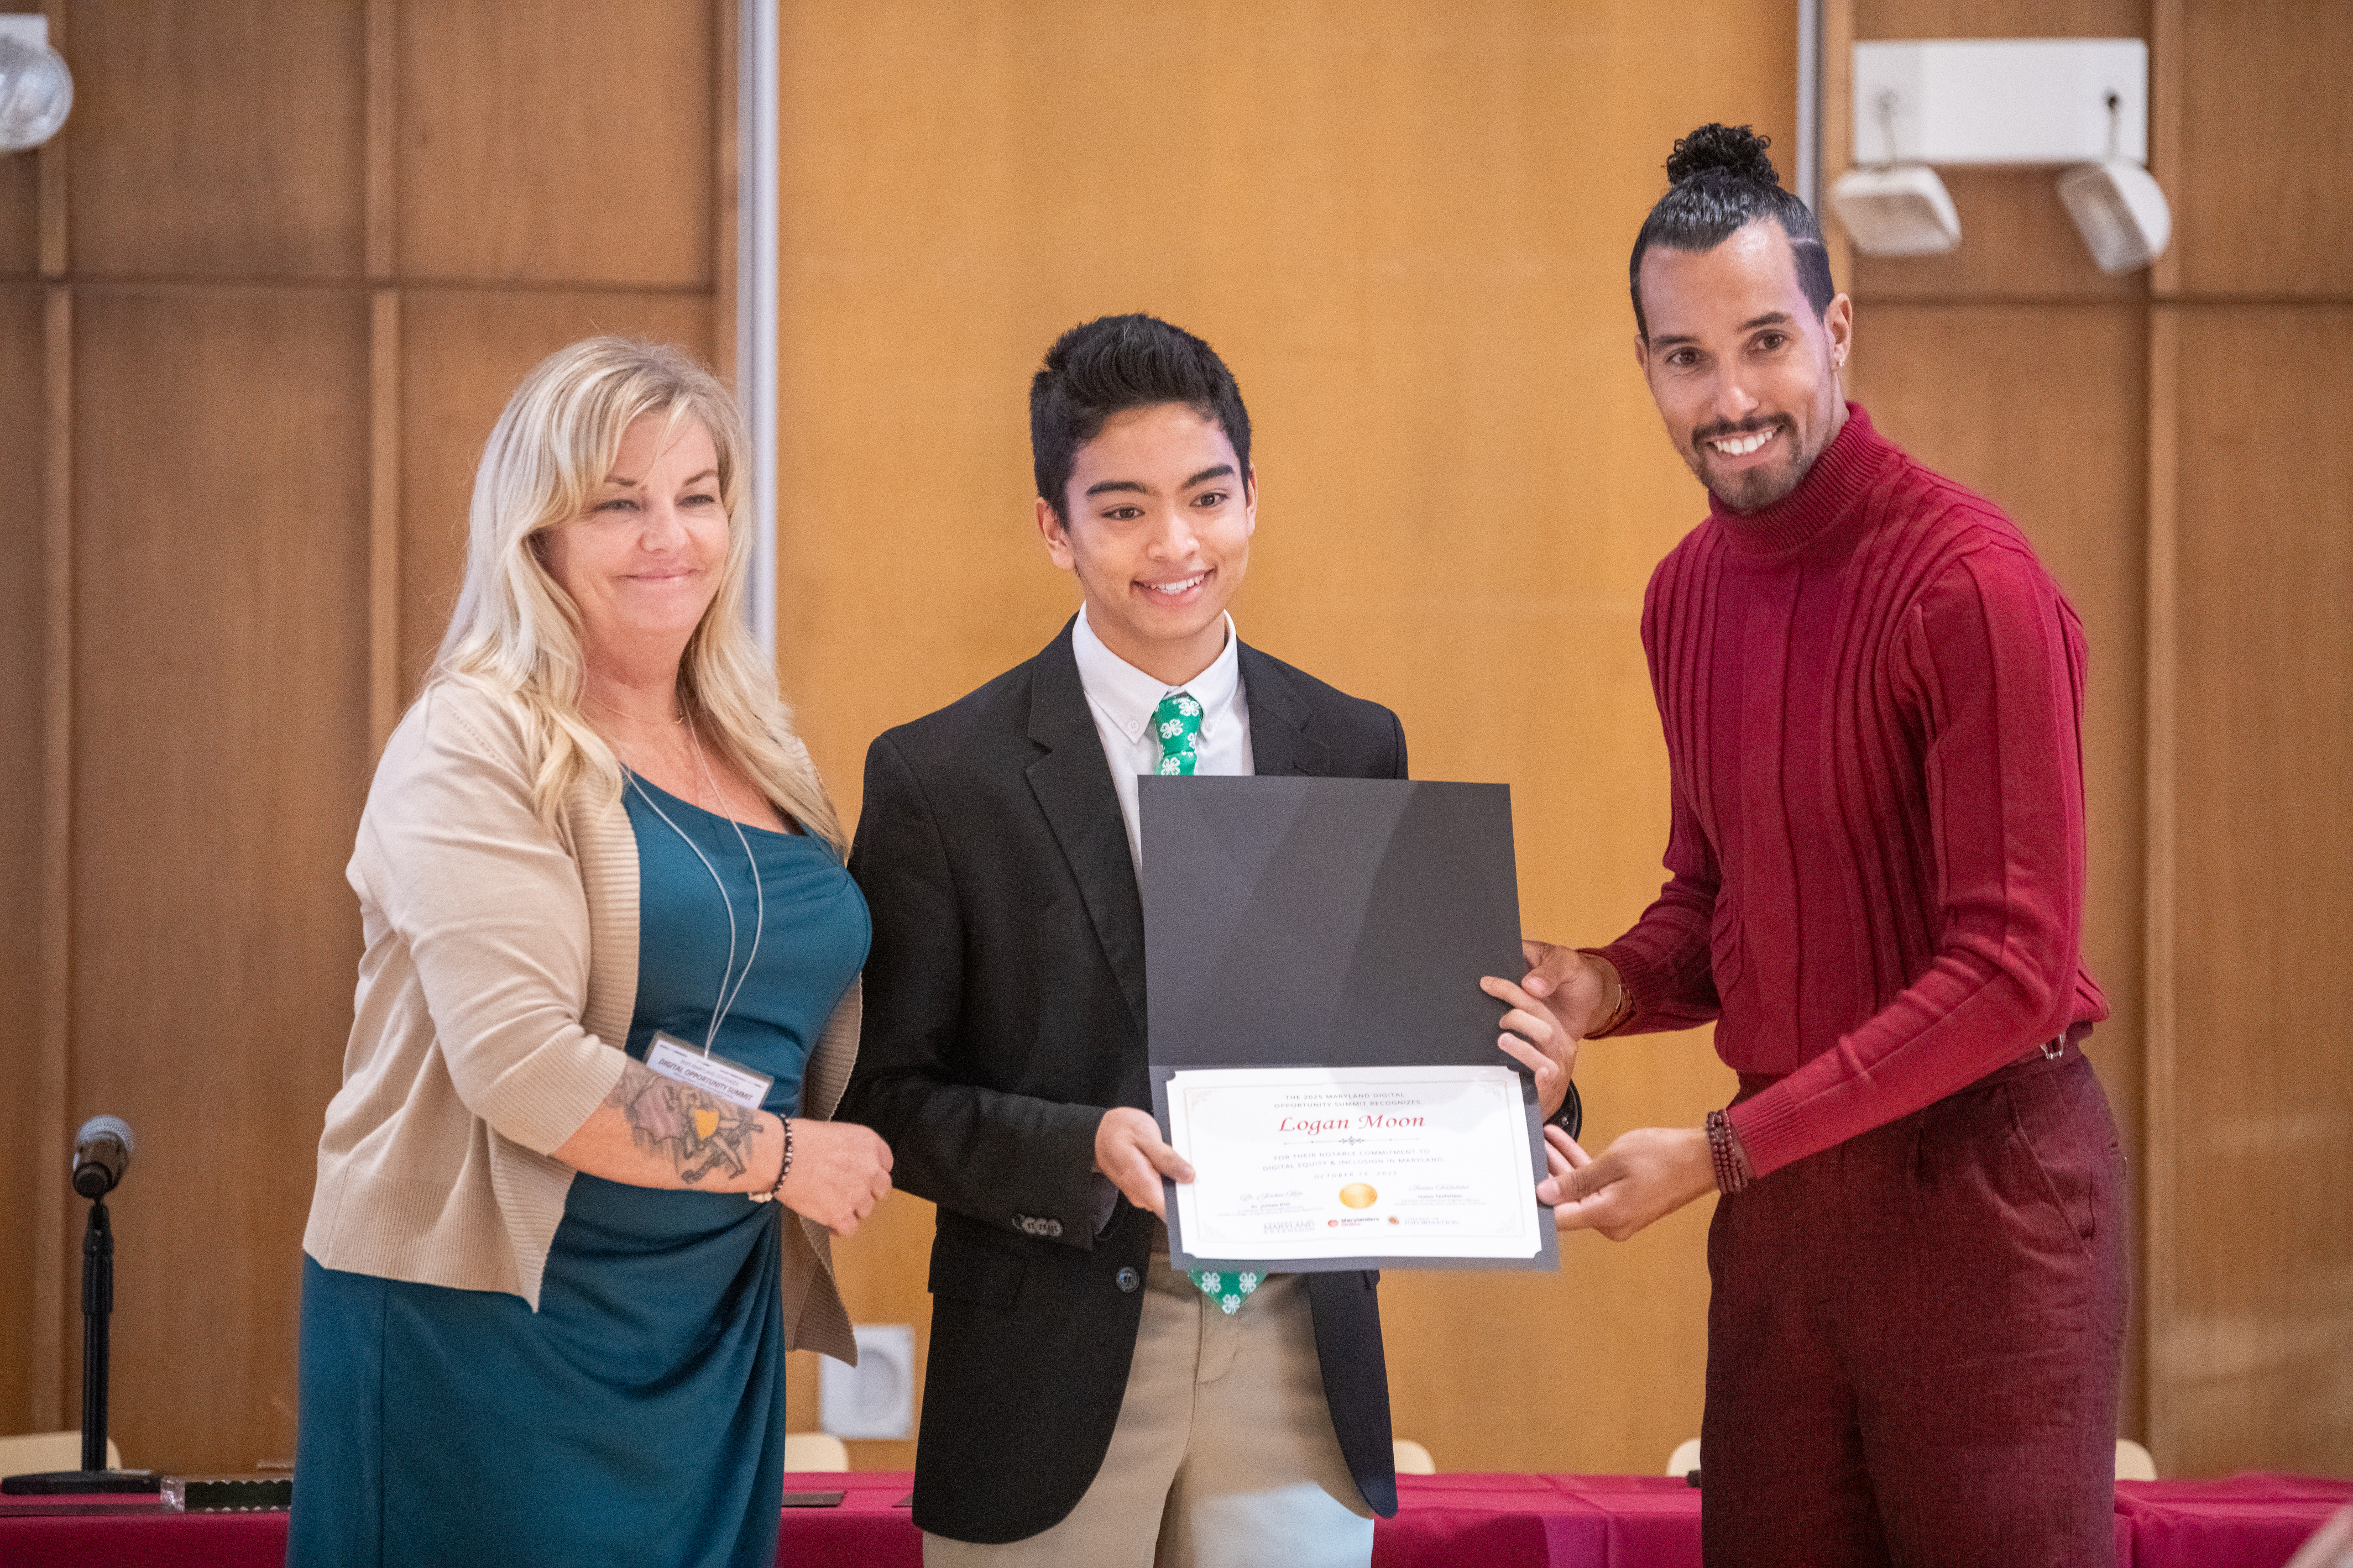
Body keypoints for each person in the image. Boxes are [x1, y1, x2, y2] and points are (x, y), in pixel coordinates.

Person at [840, 313, 1578, 1567]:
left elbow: (1406, 1035)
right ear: (1053, 529)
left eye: (1207, 496)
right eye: (1122, 510)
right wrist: (1078, 1146)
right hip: (1048, 1359)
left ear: (1253, 499)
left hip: (1296, 1355)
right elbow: (884, 1098)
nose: (1174, 545)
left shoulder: (1352, 746)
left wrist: (1533, 1088)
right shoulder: (940, 777)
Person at [1515, 126, 2127, 1566]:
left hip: (1985, 1194)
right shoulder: (1684, 595)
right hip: (1789, 1210)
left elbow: (2014, 972)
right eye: (1683, 356)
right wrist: (1599, 982)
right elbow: (1715, 900)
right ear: (1647, 364)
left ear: (1837, 329)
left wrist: (1724, 1148)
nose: (1728, 397)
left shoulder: (1971, 584)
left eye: (1765, 341)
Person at [290, 337, 893, 1568]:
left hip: (705, 1316)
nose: (668, 536)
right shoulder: (470, 741)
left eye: (697, 498)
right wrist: (781, 1154)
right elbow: (520, 1068)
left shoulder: (754, 739)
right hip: (493, 1323)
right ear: (539, 534)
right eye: (619, 504)